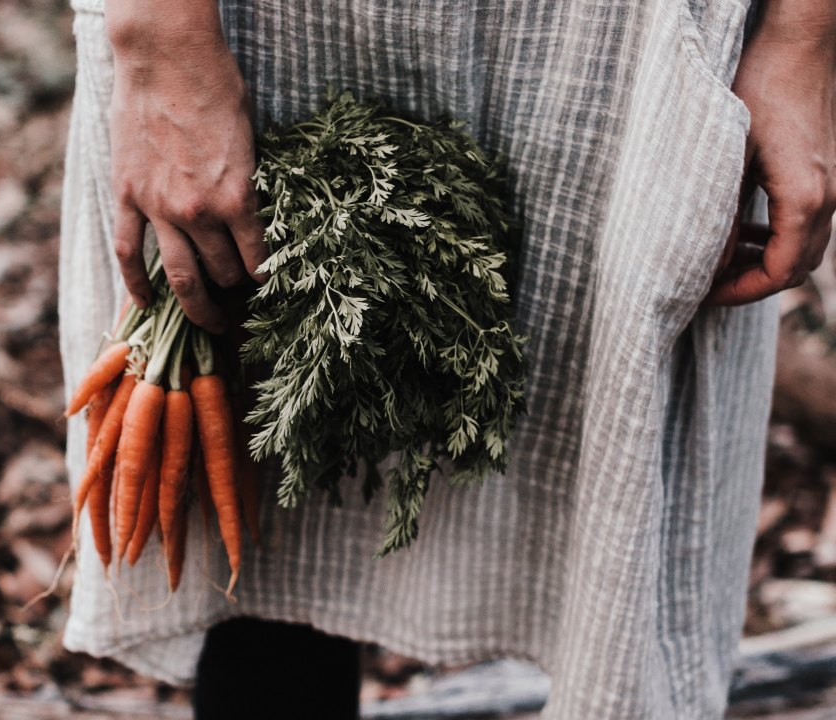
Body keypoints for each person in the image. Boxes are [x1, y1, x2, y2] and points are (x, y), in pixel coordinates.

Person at [56, 0, 836, 717]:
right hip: (260, 25)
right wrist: (159, 44)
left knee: (626, 520)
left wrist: (805, 39)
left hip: (611, 47)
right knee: (264, 522)